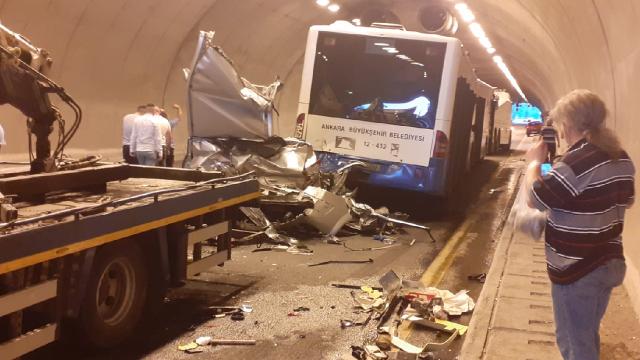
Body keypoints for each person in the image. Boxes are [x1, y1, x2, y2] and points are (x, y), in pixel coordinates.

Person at [524, 89, 635, 360]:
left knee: (575, 345)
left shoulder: (578, 161)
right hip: (608, 263)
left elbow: (535, 198)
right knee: (586, 335)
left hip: (578, 271)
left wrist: (533, 164)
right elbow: (626, 199)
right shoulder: (621, 156)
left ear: (568, 124)